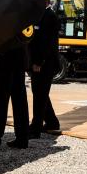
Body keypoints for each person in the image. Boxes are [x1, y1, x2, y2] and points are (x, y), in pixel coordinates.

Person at [29, 7, 61, 138]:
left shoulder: (49, 16)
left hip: (44, 62)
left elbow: (46, 42)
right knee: (39, 92)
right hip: (41, 61)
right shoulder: (43, 15)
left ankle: (35, 128)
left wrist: (38, 61)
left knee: (40, 95)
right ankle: (52, 122)